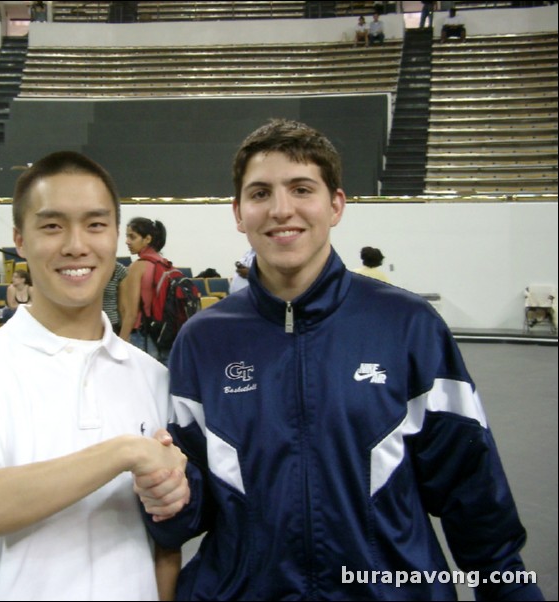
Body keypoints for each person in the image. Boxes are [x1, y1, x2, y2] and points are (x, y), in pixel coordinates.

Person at [136, 119, 544, 600]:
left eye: (301, 189)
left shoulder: (408, 325)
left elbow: (475, 501)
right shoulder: (202, 341)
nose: (281, 209)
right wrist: (169, 500)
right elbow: (191, 506)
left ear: (336, 205)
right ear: (239, 212)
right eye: (260, 193)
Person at [0, 151, 189, 601]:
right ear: (20, 240)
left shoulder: (152, 376)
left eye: (95, 224)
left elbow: (166, 544)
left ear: (115, 237)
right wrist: (124, 451)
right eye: (52, 226)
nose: (75, 245)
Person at [118, 217, 170, 361]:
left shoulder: (137, 267)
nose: (127, 241)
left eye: (132, 237)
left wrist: (120, 343)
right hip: (164, 335)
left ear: (147, 239)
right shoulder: (165, 264)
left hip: (142, 335)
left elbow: (131, 313)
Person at [103, 260, 128, 335]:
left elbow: (123, 306)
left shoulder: (119, 269)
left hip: (111, 323)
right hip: (87, 323)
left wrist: (125, 334)